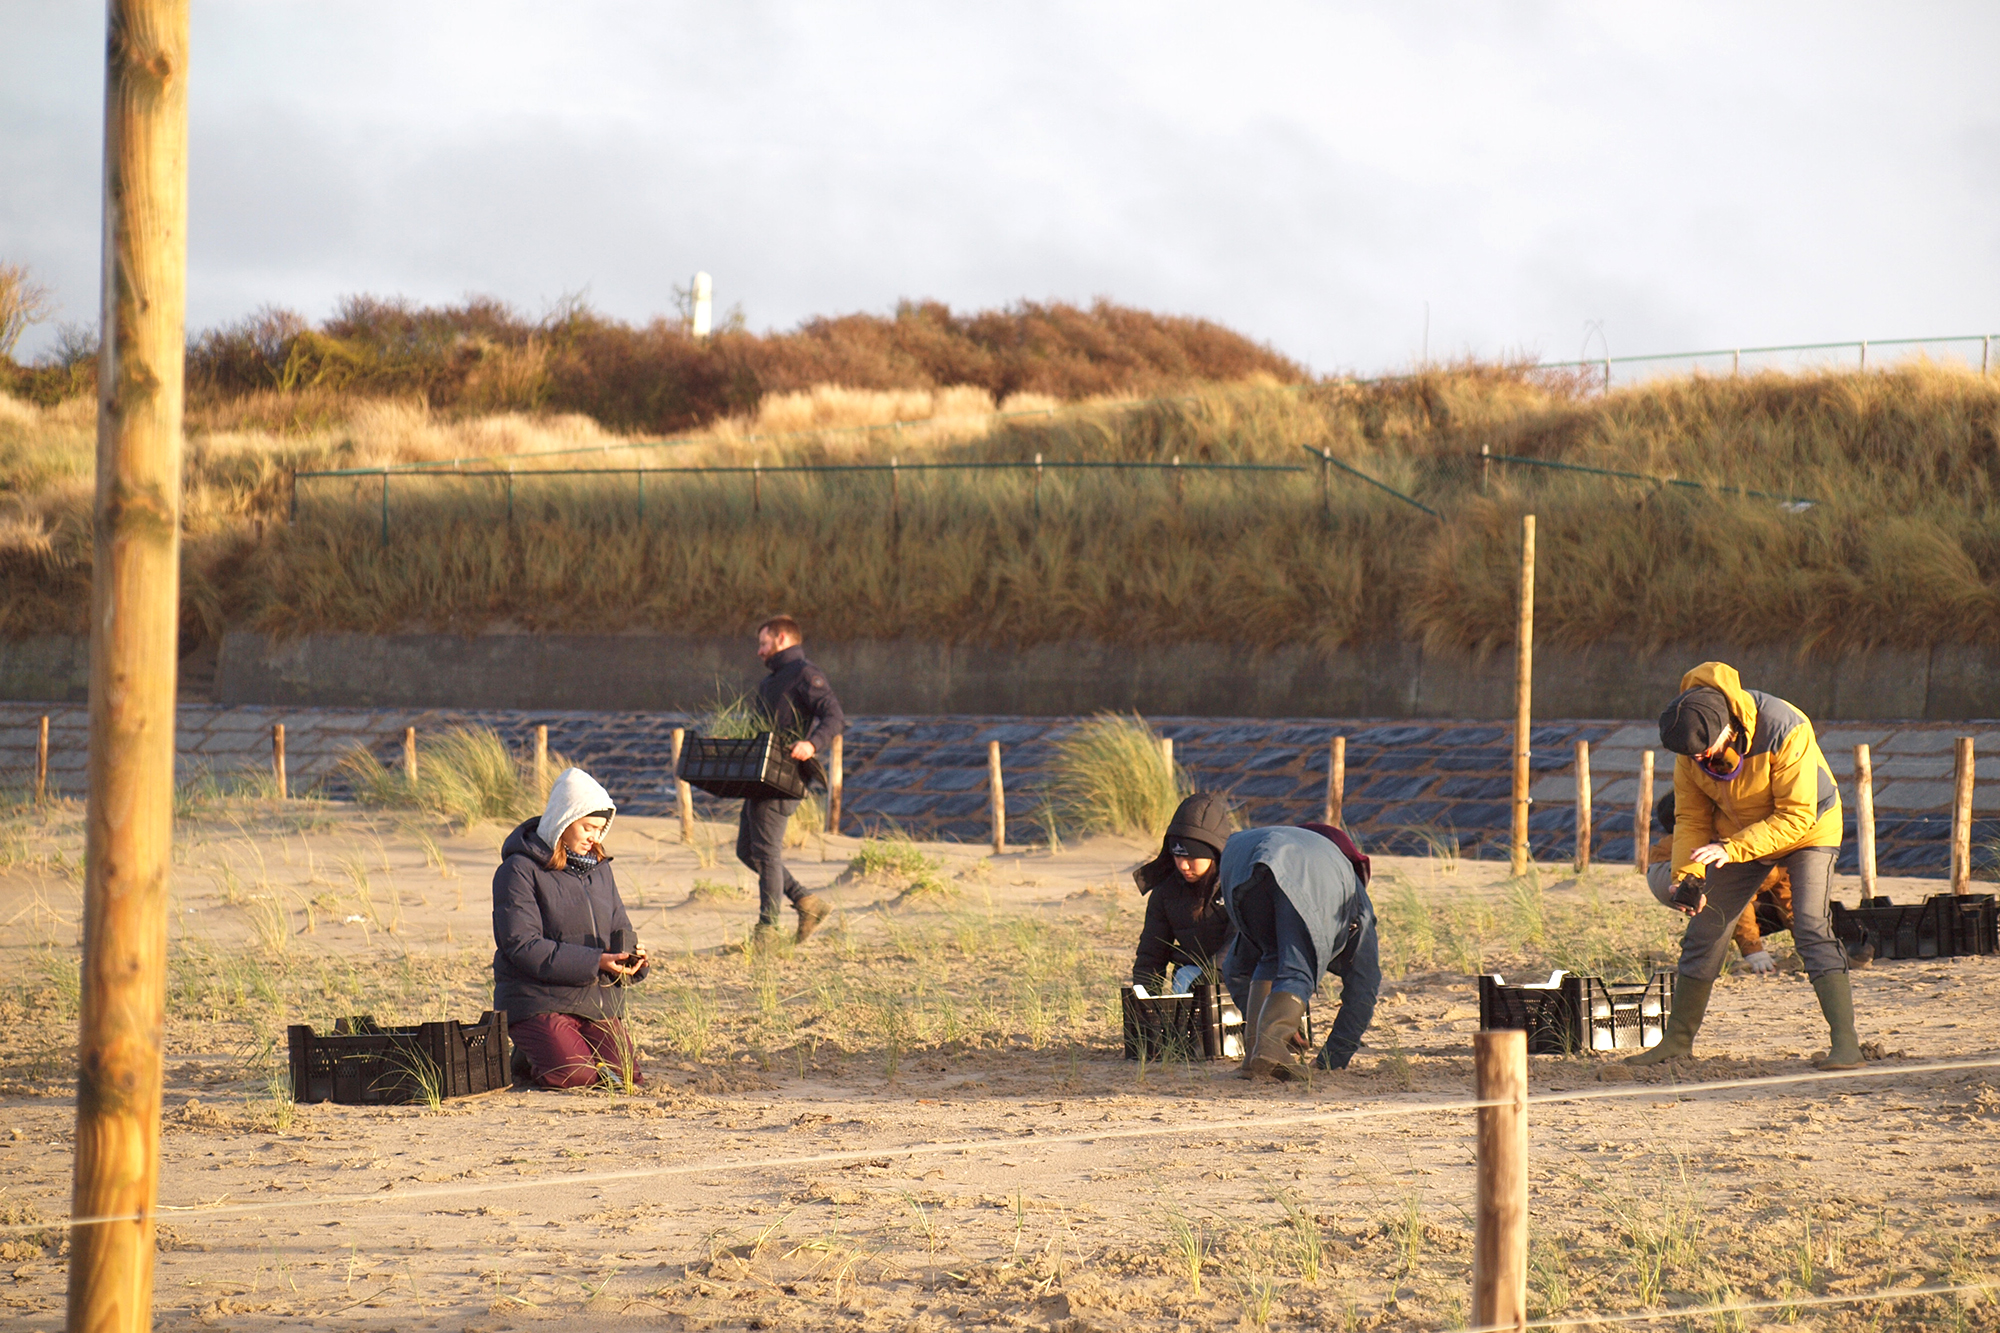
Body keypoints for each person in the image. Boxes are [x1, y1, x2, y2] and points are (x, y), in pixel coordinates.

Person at [1630, 662, 1862, 1071]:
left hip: (1809, 828)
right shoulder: (1690, 747)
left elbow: (1795, 816)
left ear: (1727, 727)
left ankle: (1846, 1045)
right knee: (1705, 930)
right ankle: (1676, 1043)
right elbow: (1691, 820)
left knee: (1809, 924)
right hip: (1738, 834)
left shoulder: (1784, 727)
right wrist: (1687, 879)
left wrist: (1732, 849)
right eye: (1692, 755)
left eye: (1705, 751)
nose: (1699, 759)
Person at [492, 767, 650, 1089]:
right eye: (588, 827)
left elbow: (620, 926)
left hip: (595, 999)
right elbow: (522, 946)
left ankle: (545, 1049)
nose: (595, 837)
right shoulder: (519, 870)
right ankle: (530, 1052)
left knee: (625, 1079)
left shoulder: (601, 870)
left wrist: (634, 961)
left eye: (600, 829)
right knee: (576, 1076)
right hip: (537, 998)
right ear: (564, 820)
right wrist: (596, 961)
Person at [1216, 822, 1380, 1079]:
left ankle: (1254, 1057)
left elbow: (1235, 969)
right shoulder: (1348, 892)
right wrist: (1333, 1059)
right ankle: (1270, 1047)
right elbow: (1364, 986)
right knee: (1298, 967)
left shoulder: (1298, 848)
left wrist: (1267, 1019)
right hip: (1277, 861)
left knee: (1271, 952)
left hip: (1239, 854)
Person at [739, 614, 845, 944]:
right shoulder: (772, 681)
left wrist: (811, 744)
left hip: (785, 778)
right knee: (747, 850)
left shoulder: (804, 674)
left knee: (767, 853)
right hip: (760, 776)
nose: (759, 651)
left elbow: (834, 715)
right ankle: (806, 902)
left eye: (764, 642)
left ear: (783, 639)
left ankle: (767, 930)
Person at [1130, 793, 1237, 993]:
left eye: (1192, 857)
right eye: (1177, 856)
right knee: (1187, 976)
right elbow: (1152, 952)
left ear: (1214, 854)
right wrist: (1144, 997)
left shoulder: (1238, 884)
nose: (1184, 865)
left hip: (1241, 974)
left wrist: (1211, 979)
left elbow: (1240, 941)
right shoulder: (1165, 891)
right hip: (1192, 974)